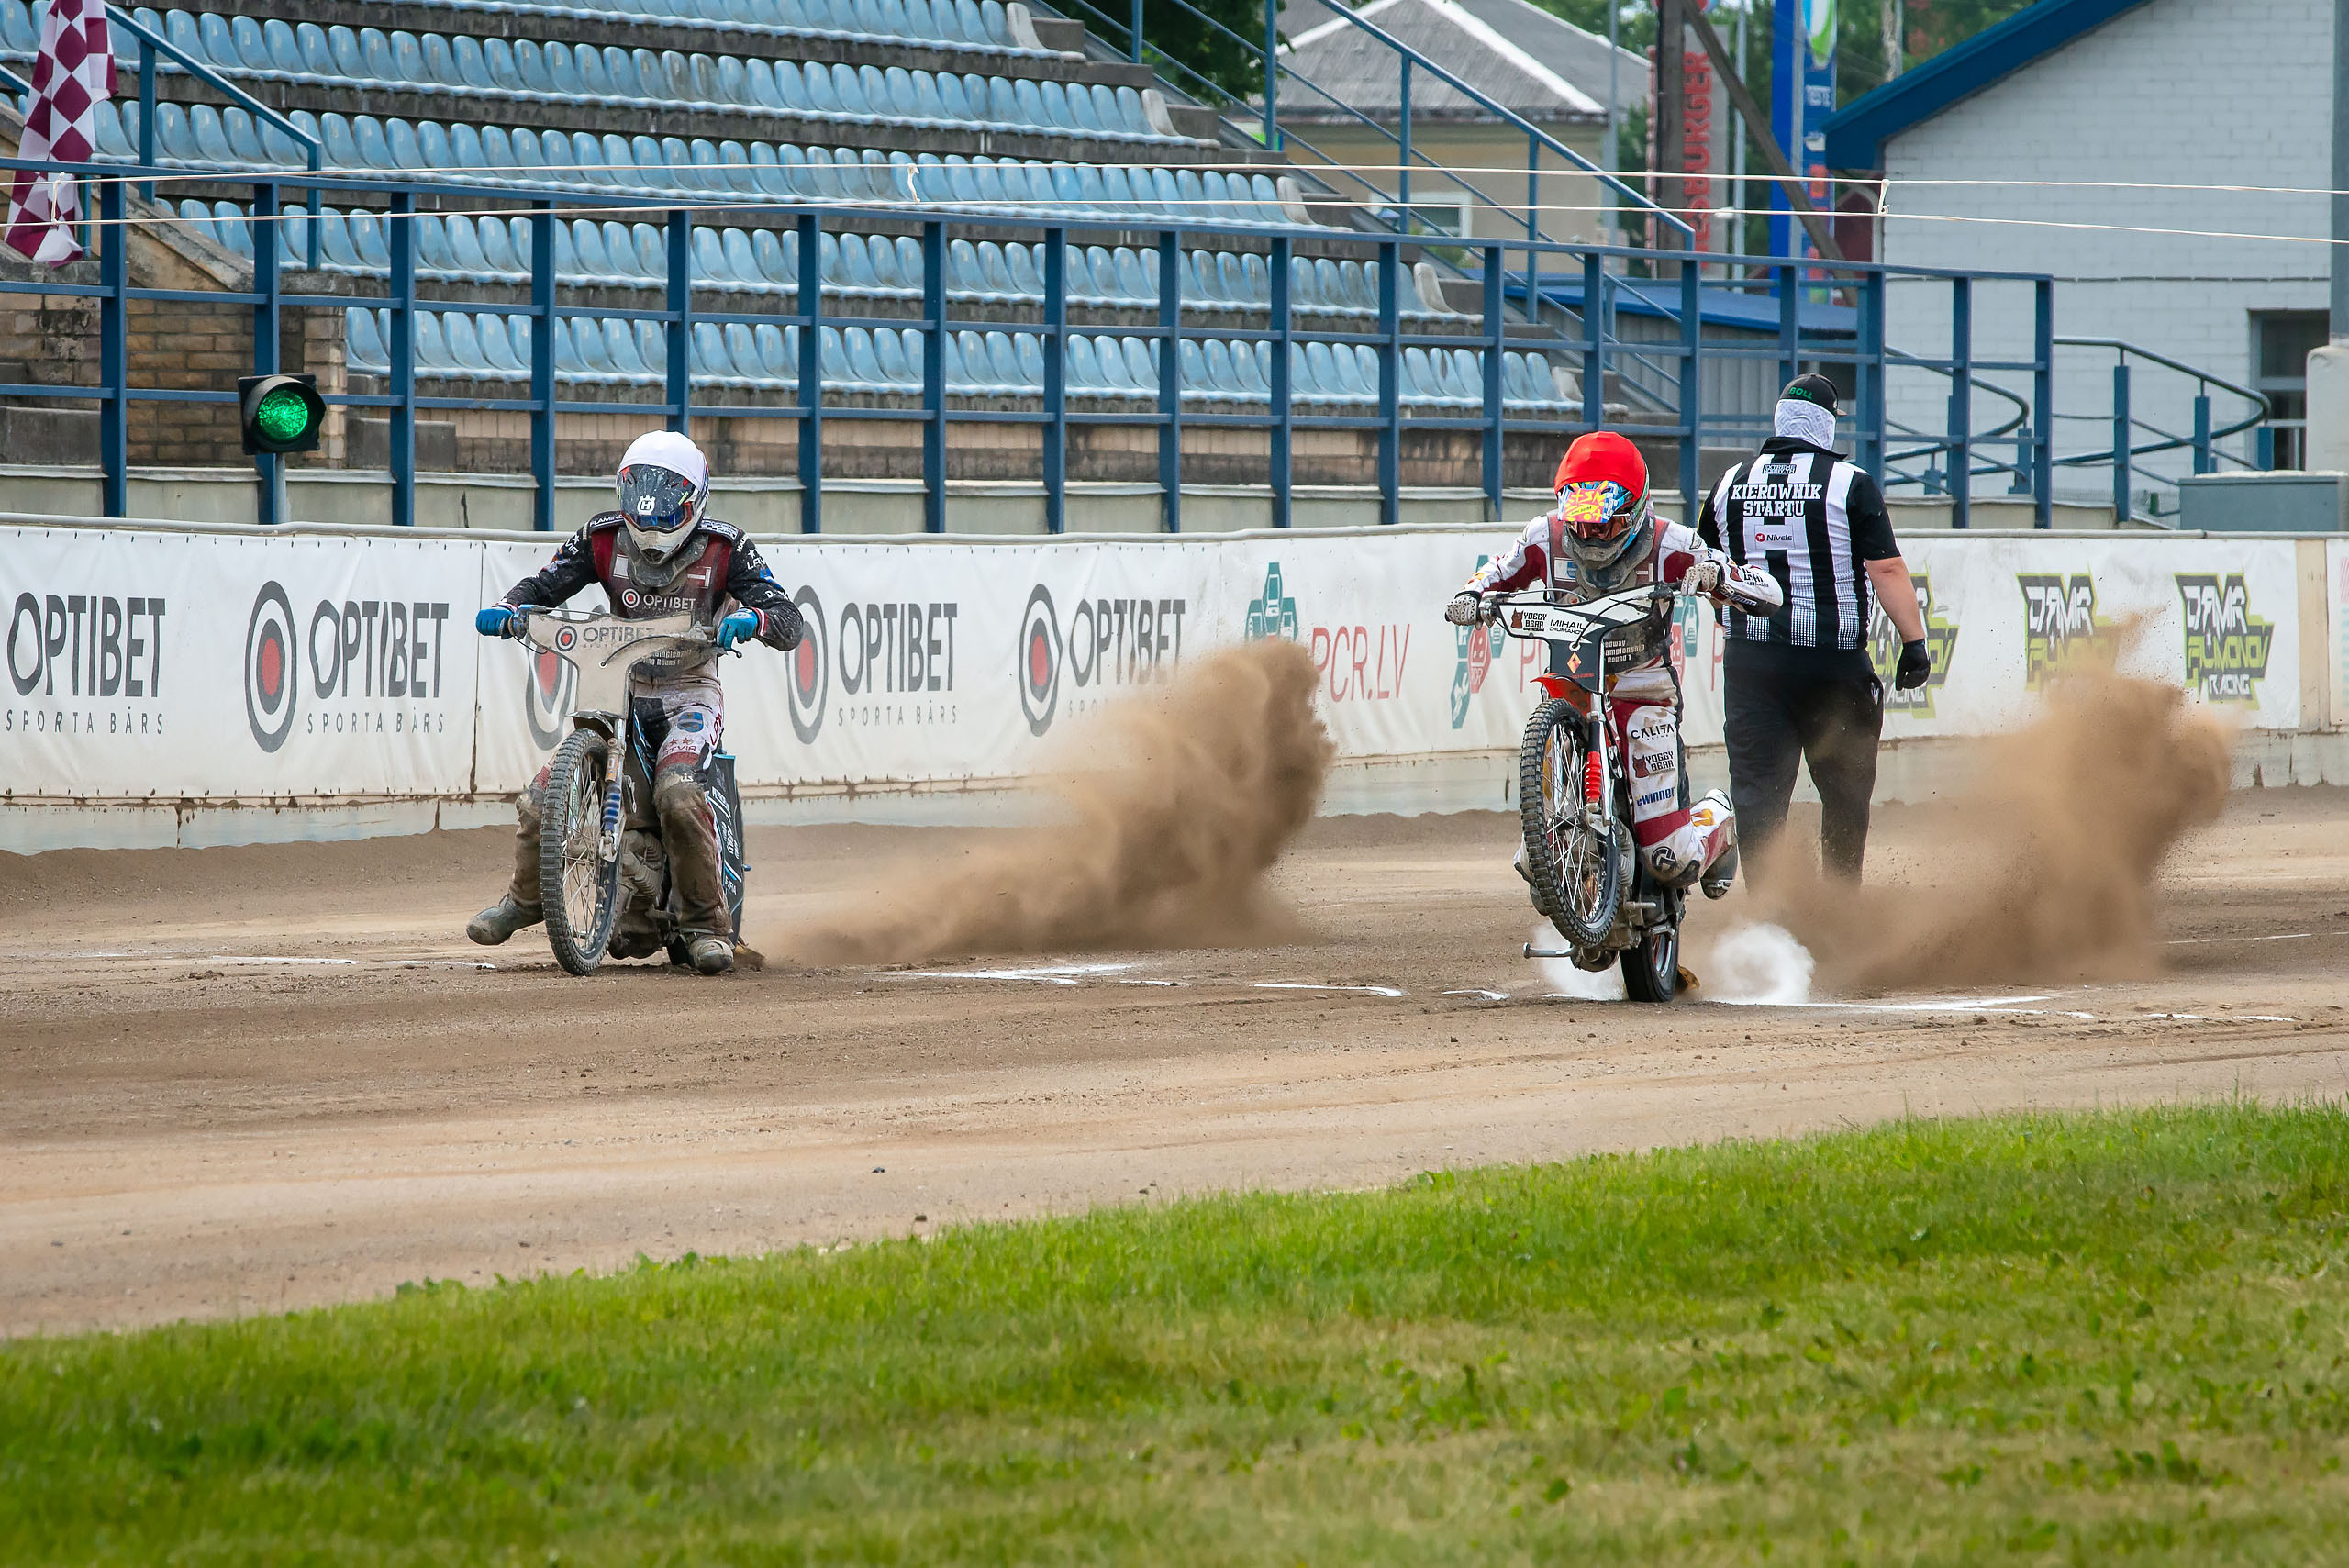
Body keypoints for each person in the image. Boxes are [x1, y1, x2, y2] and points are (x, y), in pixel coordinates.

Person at [466, 431, 803, 974]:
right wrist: (510, 608)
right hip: (616, 685)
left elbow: (788, 618)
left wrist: (753, 619)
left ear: (693, 500)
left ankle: (706, 925)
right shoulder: (600, 536)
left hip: (689, 689)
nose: (651, 516)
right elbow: (545, 585)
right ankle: (526, 900)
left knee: (677, 792)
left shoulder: (727, 546)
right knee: (540, 795)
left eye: (668, 499)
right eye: (640, 495)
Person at [1447, 430, 1784, 899]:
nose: (1590, 535)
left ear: (1637, 508)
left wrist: (1716, 576)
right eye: (1580, 524)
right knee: (1534, 858)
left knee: (1672, 858)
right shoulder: (1545, 535)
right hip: (1571, 688)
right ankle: (1589, 899)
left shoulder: (1672, 542)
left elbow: (1768, 591)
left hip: (1642, 691)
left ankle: (1717, 819)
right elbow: (1496, 572)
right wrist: (1472, 596)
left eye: (1603, 524)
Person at [1698, 373, 1931, 885]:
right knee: (1846, 794)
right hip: (1832, 667)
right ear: (1826, 425)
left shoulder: (1727, 483)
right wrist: (1914, 643)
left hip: (1752, 666)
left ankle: (1768, 913)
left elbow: (1704, 569)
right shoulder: (1851, 483)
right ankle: (1839, 905)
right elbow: (1885, 569)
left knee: (1758, 795)